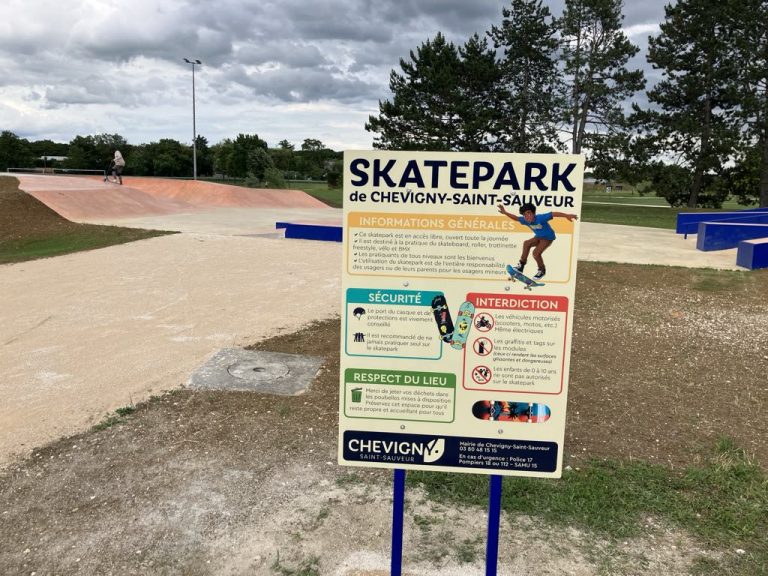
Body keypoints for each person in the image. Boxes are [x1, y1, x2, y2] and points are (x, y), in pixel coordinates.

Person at [497, 202, 578, 280]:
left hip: (548, 238)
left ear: (533, 213)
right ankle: (521, 265)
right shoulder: (525, 220)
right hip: (538, 236)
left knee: (536, 253)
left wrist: (567, 215)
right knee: (526, 243)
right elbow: (516, 218)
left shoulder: (541, 218)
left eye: (529, 213)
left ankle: (542, 270)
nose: (527, 216)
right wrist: (505, 212)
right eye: (524, 215)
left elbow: (553, 214)